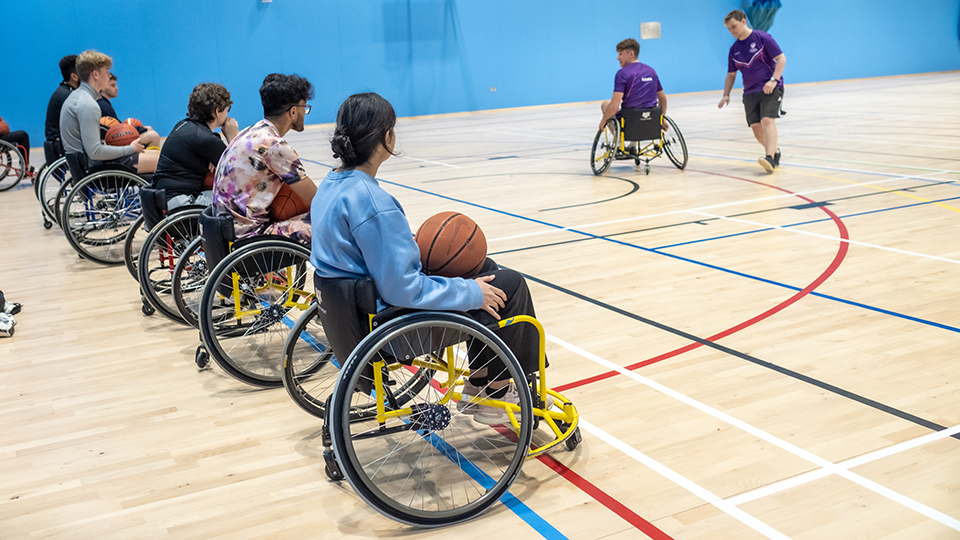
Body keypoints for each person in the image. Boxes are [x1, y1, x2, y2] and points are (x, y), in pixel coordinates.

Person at [310, 92, 547, 425]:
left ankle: (479, 382)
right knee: (508, 284)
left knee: (484, 268)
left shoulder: (329, 186)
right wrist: (472, 293)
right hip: (394, 323)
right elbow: (402, 289)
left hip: (352, 312)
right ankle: (493, 394)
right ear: (387, 137)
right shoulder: (373, 202)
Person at [212, 73, 316, 244]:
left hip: (226, 230)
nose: (305, 113)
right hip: (250, 236)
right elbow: (315, 198)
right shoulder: (273, 146)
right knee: (329, 223)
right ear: (293, 111)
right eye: (304, 108)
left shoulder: (249, 132)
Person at [59, 50, 159, 174]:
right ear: (95, 74)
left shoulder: (77, 97)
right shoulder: (88, 104)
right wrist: (130, 148)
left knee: (158, 155)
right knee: (164, 161)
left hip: (85, 163)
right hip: (98, 166)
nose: (109, 76)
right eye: (106, 72)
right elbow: (95, 152)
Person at [718, 9, 786, 173]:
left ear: (743, 21)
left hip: (770, 87)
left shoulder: (762, 37)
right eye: (728, 28)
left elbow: (781, 58)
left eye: (733, 26)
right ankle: (774, 151)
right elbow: (731, 74)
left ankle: (769, 157)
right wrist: (726, 94)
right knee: (756, 128)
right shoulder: (734, 49)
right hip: (750, 92)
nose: (732, 31)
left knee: (767, 121)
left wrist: (773, 80)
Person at [153, 83, 238, 209]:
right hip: (182, 203)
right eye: (227, 109)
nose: (227, 113)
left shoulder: (184, 125)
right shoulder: (205, 139)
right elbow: (237, 169)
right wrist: (232, 137)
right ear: (216, 111)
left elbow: (209, 146)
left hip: (164, 199)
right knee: (236, 198)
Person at [599, 38, 667, 132]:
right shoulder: (651, 71)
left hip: (630, 123)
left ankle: (618, 141)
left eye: (620, 54)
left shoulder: (622, 73)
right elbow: (663, 99)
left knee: (605, 105)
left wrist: (604, 120)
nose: (618, 58)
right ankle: (633, 145)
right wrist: (661, 118)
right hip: (651, 121)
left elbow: (614, 106)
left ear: (631, 54)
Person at [97, 73, 162, 148]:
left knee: (148, 129)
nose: (117, 88)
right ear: (103, 87)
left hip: (112, 137)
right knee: (153, 136)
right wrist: (139, 129)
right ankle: (147, 159)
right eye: (112, 85)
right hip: (111, 140)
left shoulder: (103, 103)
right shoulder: (103, 105)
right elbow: (115, 130)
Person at [44, 55, 79, 163]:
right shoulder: (69, 96)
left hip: (58, 143)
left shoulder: (63, 91)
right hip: (61, 147)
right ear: (74, 76)